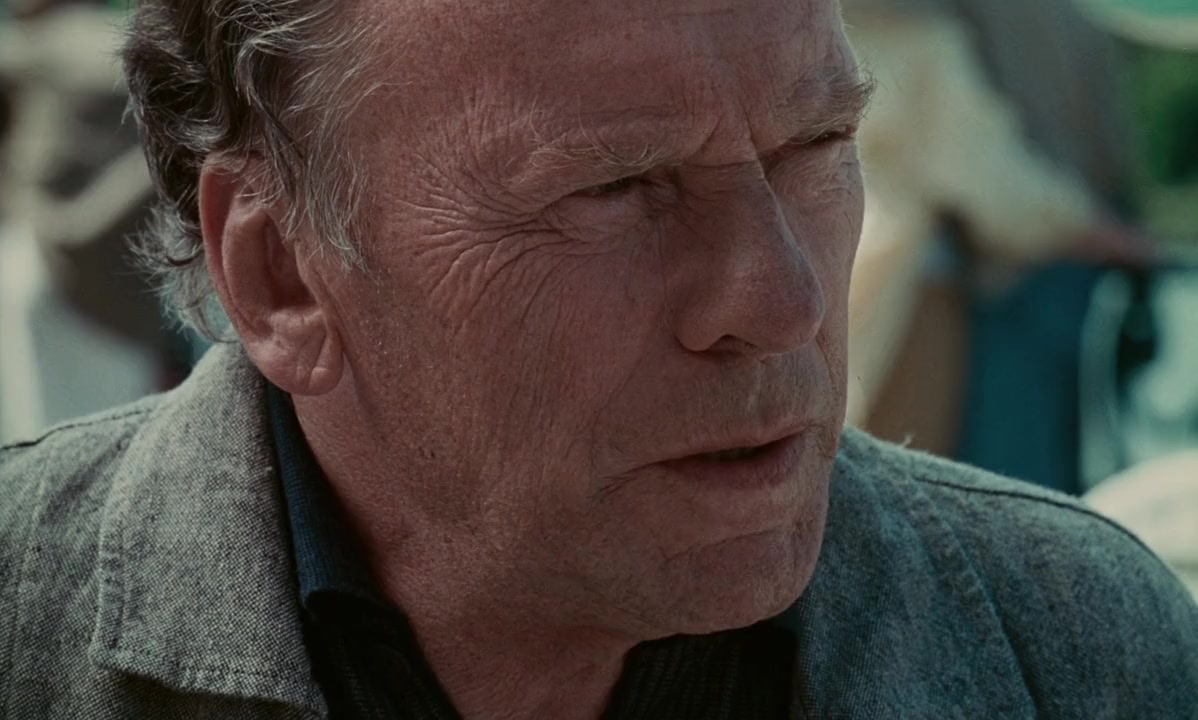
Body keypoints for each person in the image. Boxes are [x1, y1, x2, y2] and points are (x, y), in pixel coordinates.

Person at [0, 0, 1194, 718]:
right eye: (617, 186)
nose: (781, 302)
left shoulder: (1077, 649)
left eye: (816, 144)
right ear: (283, 277)